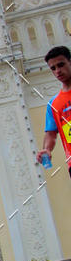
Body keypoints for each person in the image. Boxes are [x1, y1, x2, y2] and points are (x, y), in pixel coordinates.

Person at [37, 45, 71, 178]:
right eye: (53, 68)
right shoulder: (53, 104)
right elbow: (51, 133)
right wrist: (47, 149)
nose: (58, 71)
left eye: (61, 65)